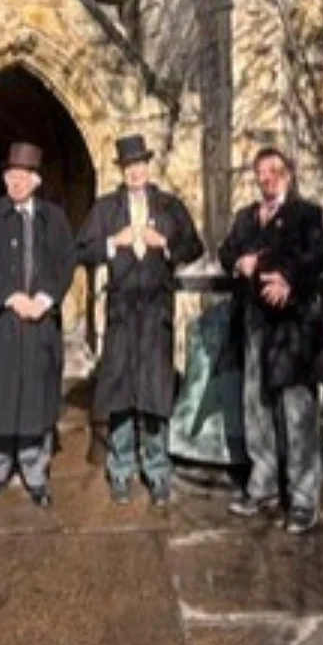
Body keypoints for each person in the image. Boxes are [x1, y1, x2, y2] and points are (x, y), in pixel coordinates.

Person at [76, 133, 204, 508]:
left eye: (141, 164)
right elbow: (81, 250)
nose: (135, 171)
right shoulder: (105, 209)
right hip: (119, 311)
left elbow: (193, 246)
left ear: (148, 167)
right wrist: (112, 243)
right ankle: (121, 470)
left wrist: (163, 244)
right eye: (129, 166)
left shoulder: (168, 206)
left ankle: (158, 470)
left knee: (154, 392)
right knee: (118, 391)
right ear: (122, 170)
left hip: (155, 311)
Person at [218, 147, 323, 534]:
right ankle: (263, 484)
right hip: (254, 324)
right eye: (261, 173)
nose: (267, 179)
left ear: (287, 174)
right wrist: (241, 262)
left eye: (274, 171)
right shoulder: (246, 217)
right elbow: (226, 252)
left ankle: (303, 498)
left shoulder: (306, 215)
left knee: (297, 410)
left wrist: (286, 277)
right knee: (256, 405)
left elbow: (321, 255)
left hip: (291, 330)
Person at [0, 141, 76, 507]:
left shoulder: (54, 218)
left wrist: (44, 299)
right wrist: (11, 297)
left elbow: (65, 261)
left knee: (35, 398)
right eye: (10, 175)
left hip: (39, 323)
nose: (15, 182)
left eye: (22, 176)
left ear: (36, 180)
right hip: (2, 322)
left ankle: (35, 473)